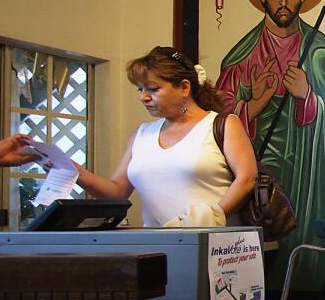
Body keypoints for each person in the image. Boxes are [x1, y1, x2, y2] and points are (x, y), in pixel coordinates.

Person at [216, 0, 325, 292]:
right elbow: (214, 130)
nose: (284, 0)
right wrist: (252, 105)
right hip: (257, 192)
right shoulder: (240, 60)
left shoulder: (322, 53)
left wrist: (307, 97)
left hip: (309, 185)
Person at [72, 47, 257, 227]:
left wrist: (212, 216)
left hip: (214, 245)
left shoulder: (222, 125)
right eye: (140, 89)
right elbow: (118, 192)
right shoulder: (141, 134)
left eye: (153, 89)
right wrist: (74, 172)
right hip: (159, 246)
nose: (143, 97)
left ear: (185, 87)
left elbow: (247, 178)